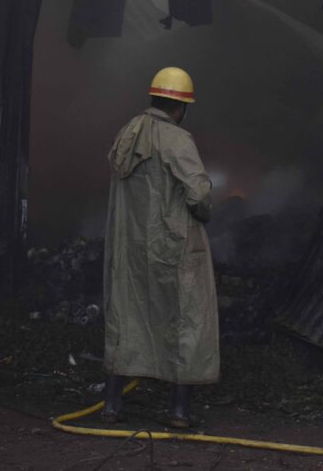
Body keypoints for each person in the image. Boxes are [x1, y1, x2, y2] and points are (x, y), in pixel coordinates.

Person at [100, 67, 219, 428]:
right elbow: (198, 194)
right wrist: (204, 212)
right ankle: (179, 412)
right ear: (181, 108)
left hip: (131, 247)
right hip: (173, 246)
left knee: (126, 315)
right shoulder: (177, 139)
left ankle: (111, 406)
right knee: (187, 319)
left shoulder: (127, 134)